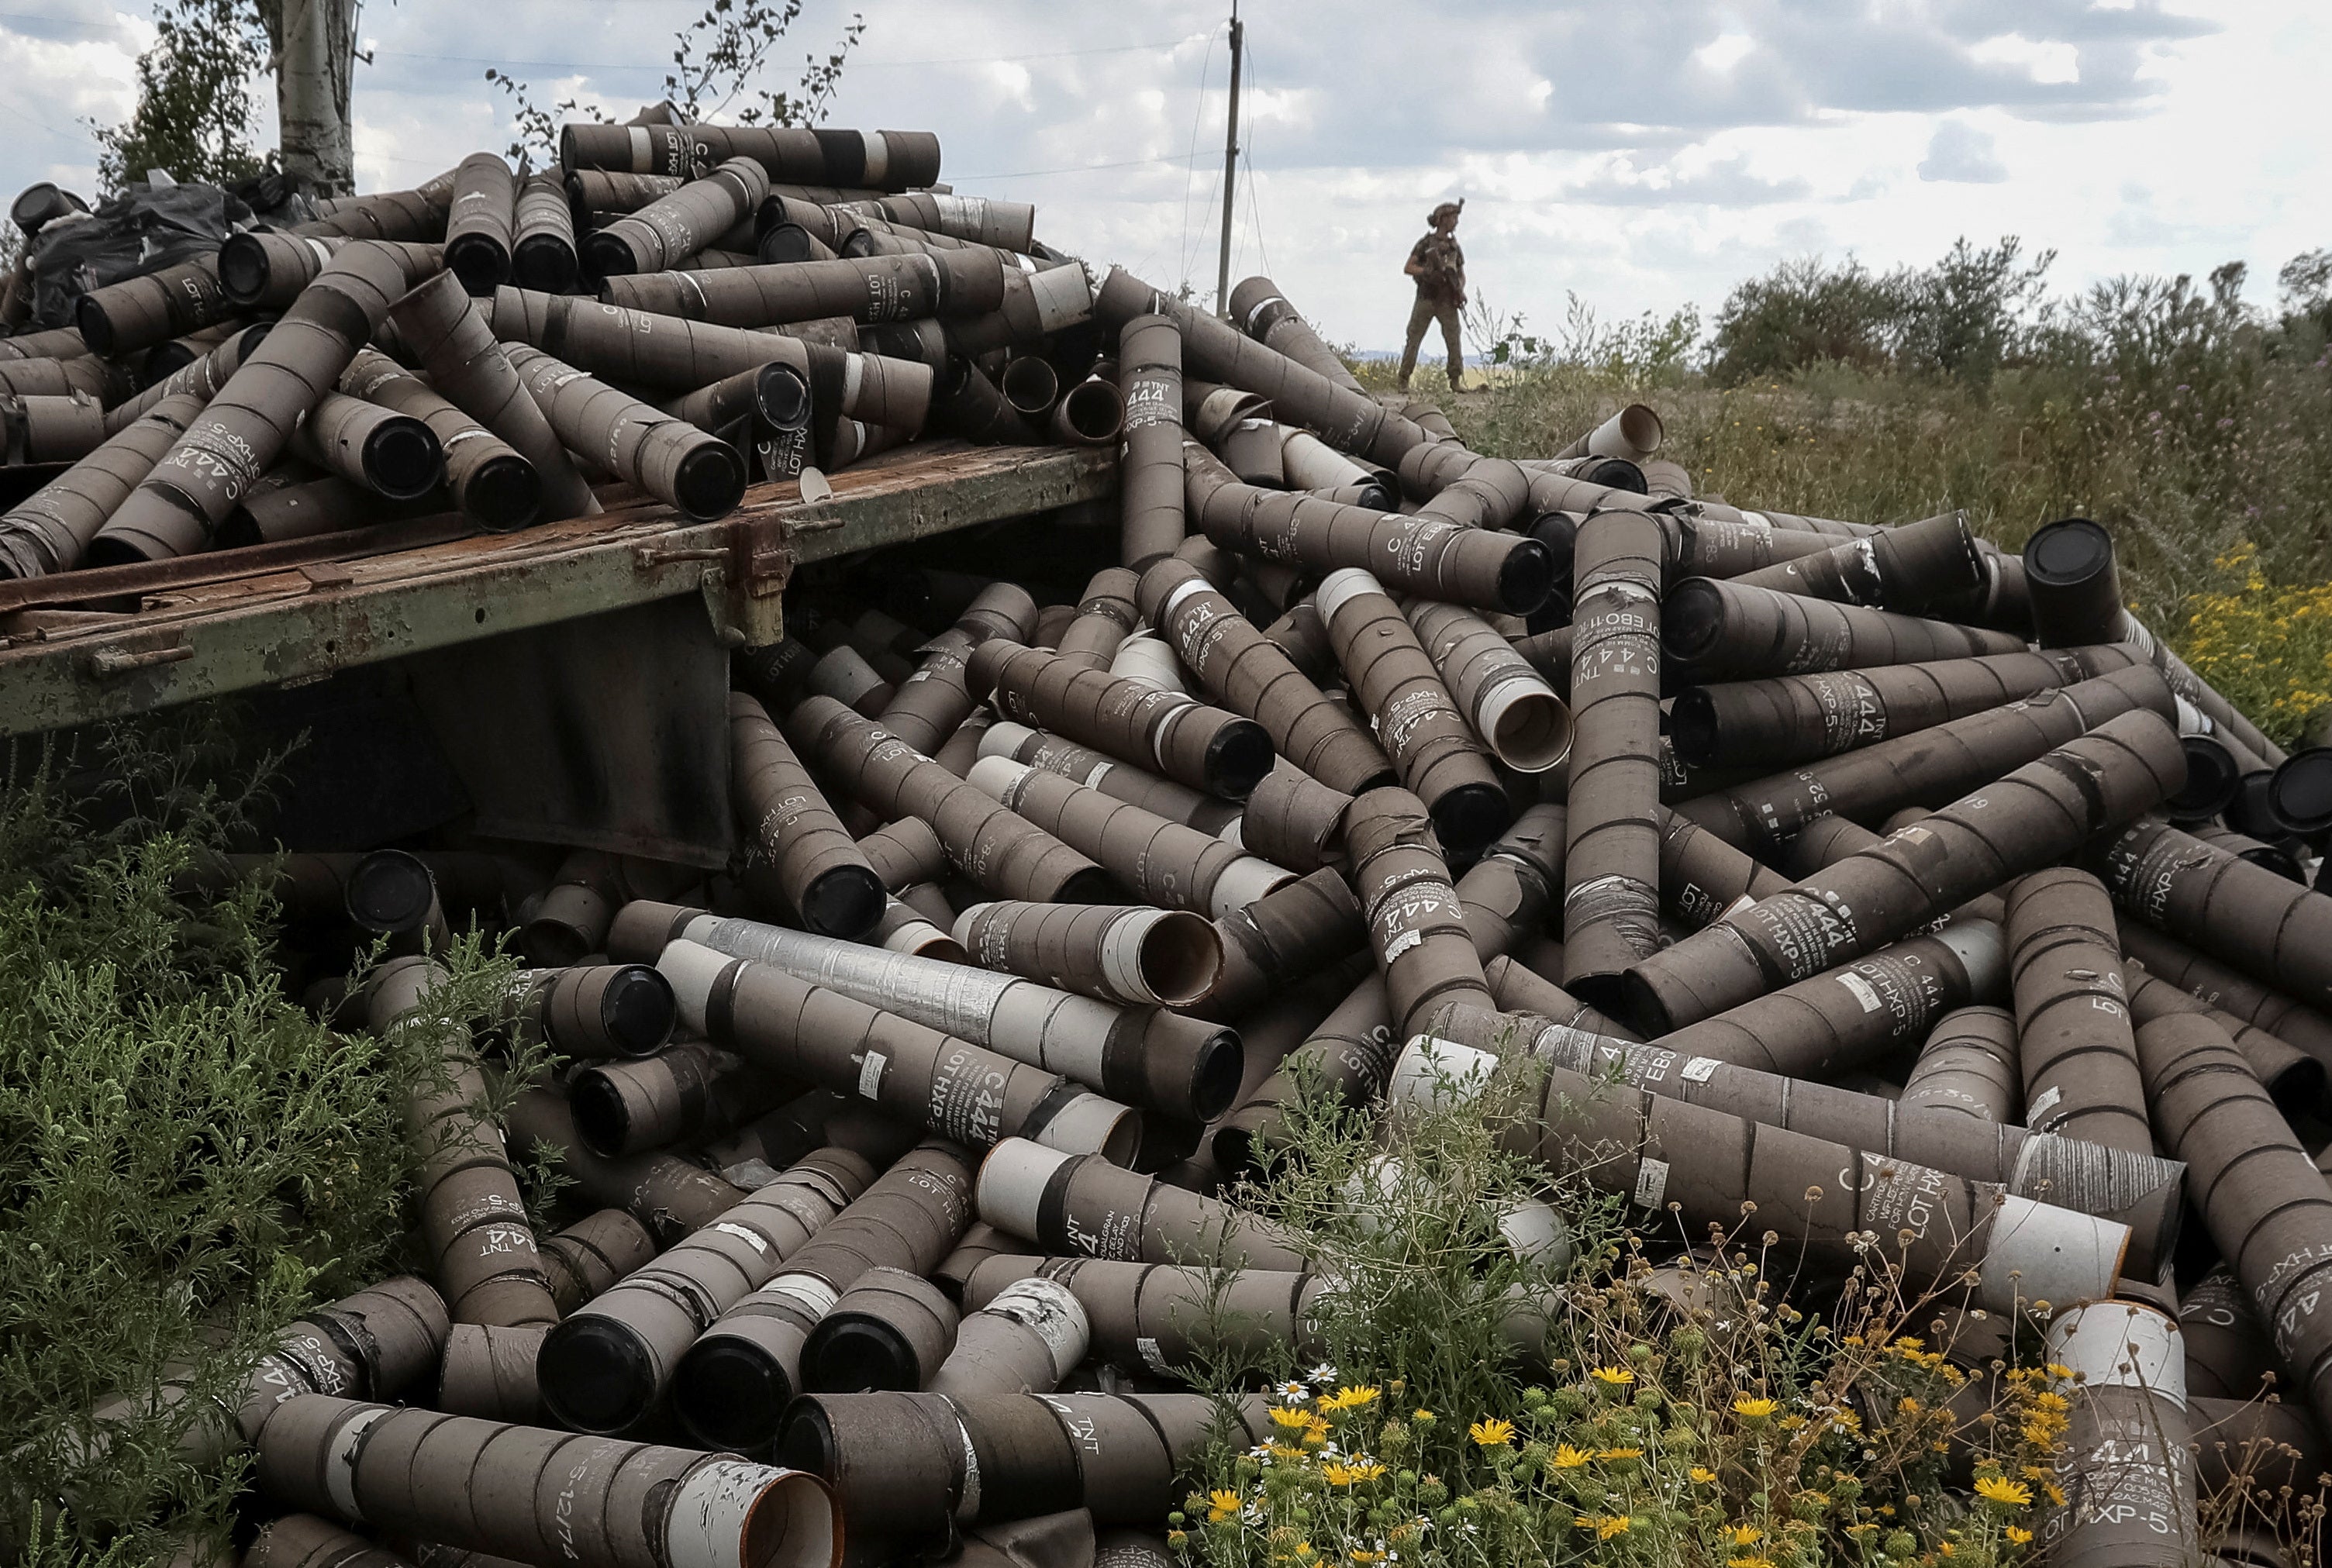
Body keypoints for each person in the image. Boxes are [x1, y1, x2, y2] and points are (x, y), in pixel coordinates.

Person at [1399, 199, 1467, 391]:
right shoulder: (1426, 243)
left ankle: (1455, 380)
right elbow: (1409, 267)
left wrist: (1459, 289)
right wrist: (1427, 272)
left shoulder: (1454, 247)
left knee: (1454, 339)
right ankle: (1403, 379)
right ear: (1443, 219)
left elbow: (1461, 274)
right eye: (1453, 217)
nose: (1456, 222)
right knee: (1414, 338)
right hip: (1427, 298)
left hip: (1447, 300)